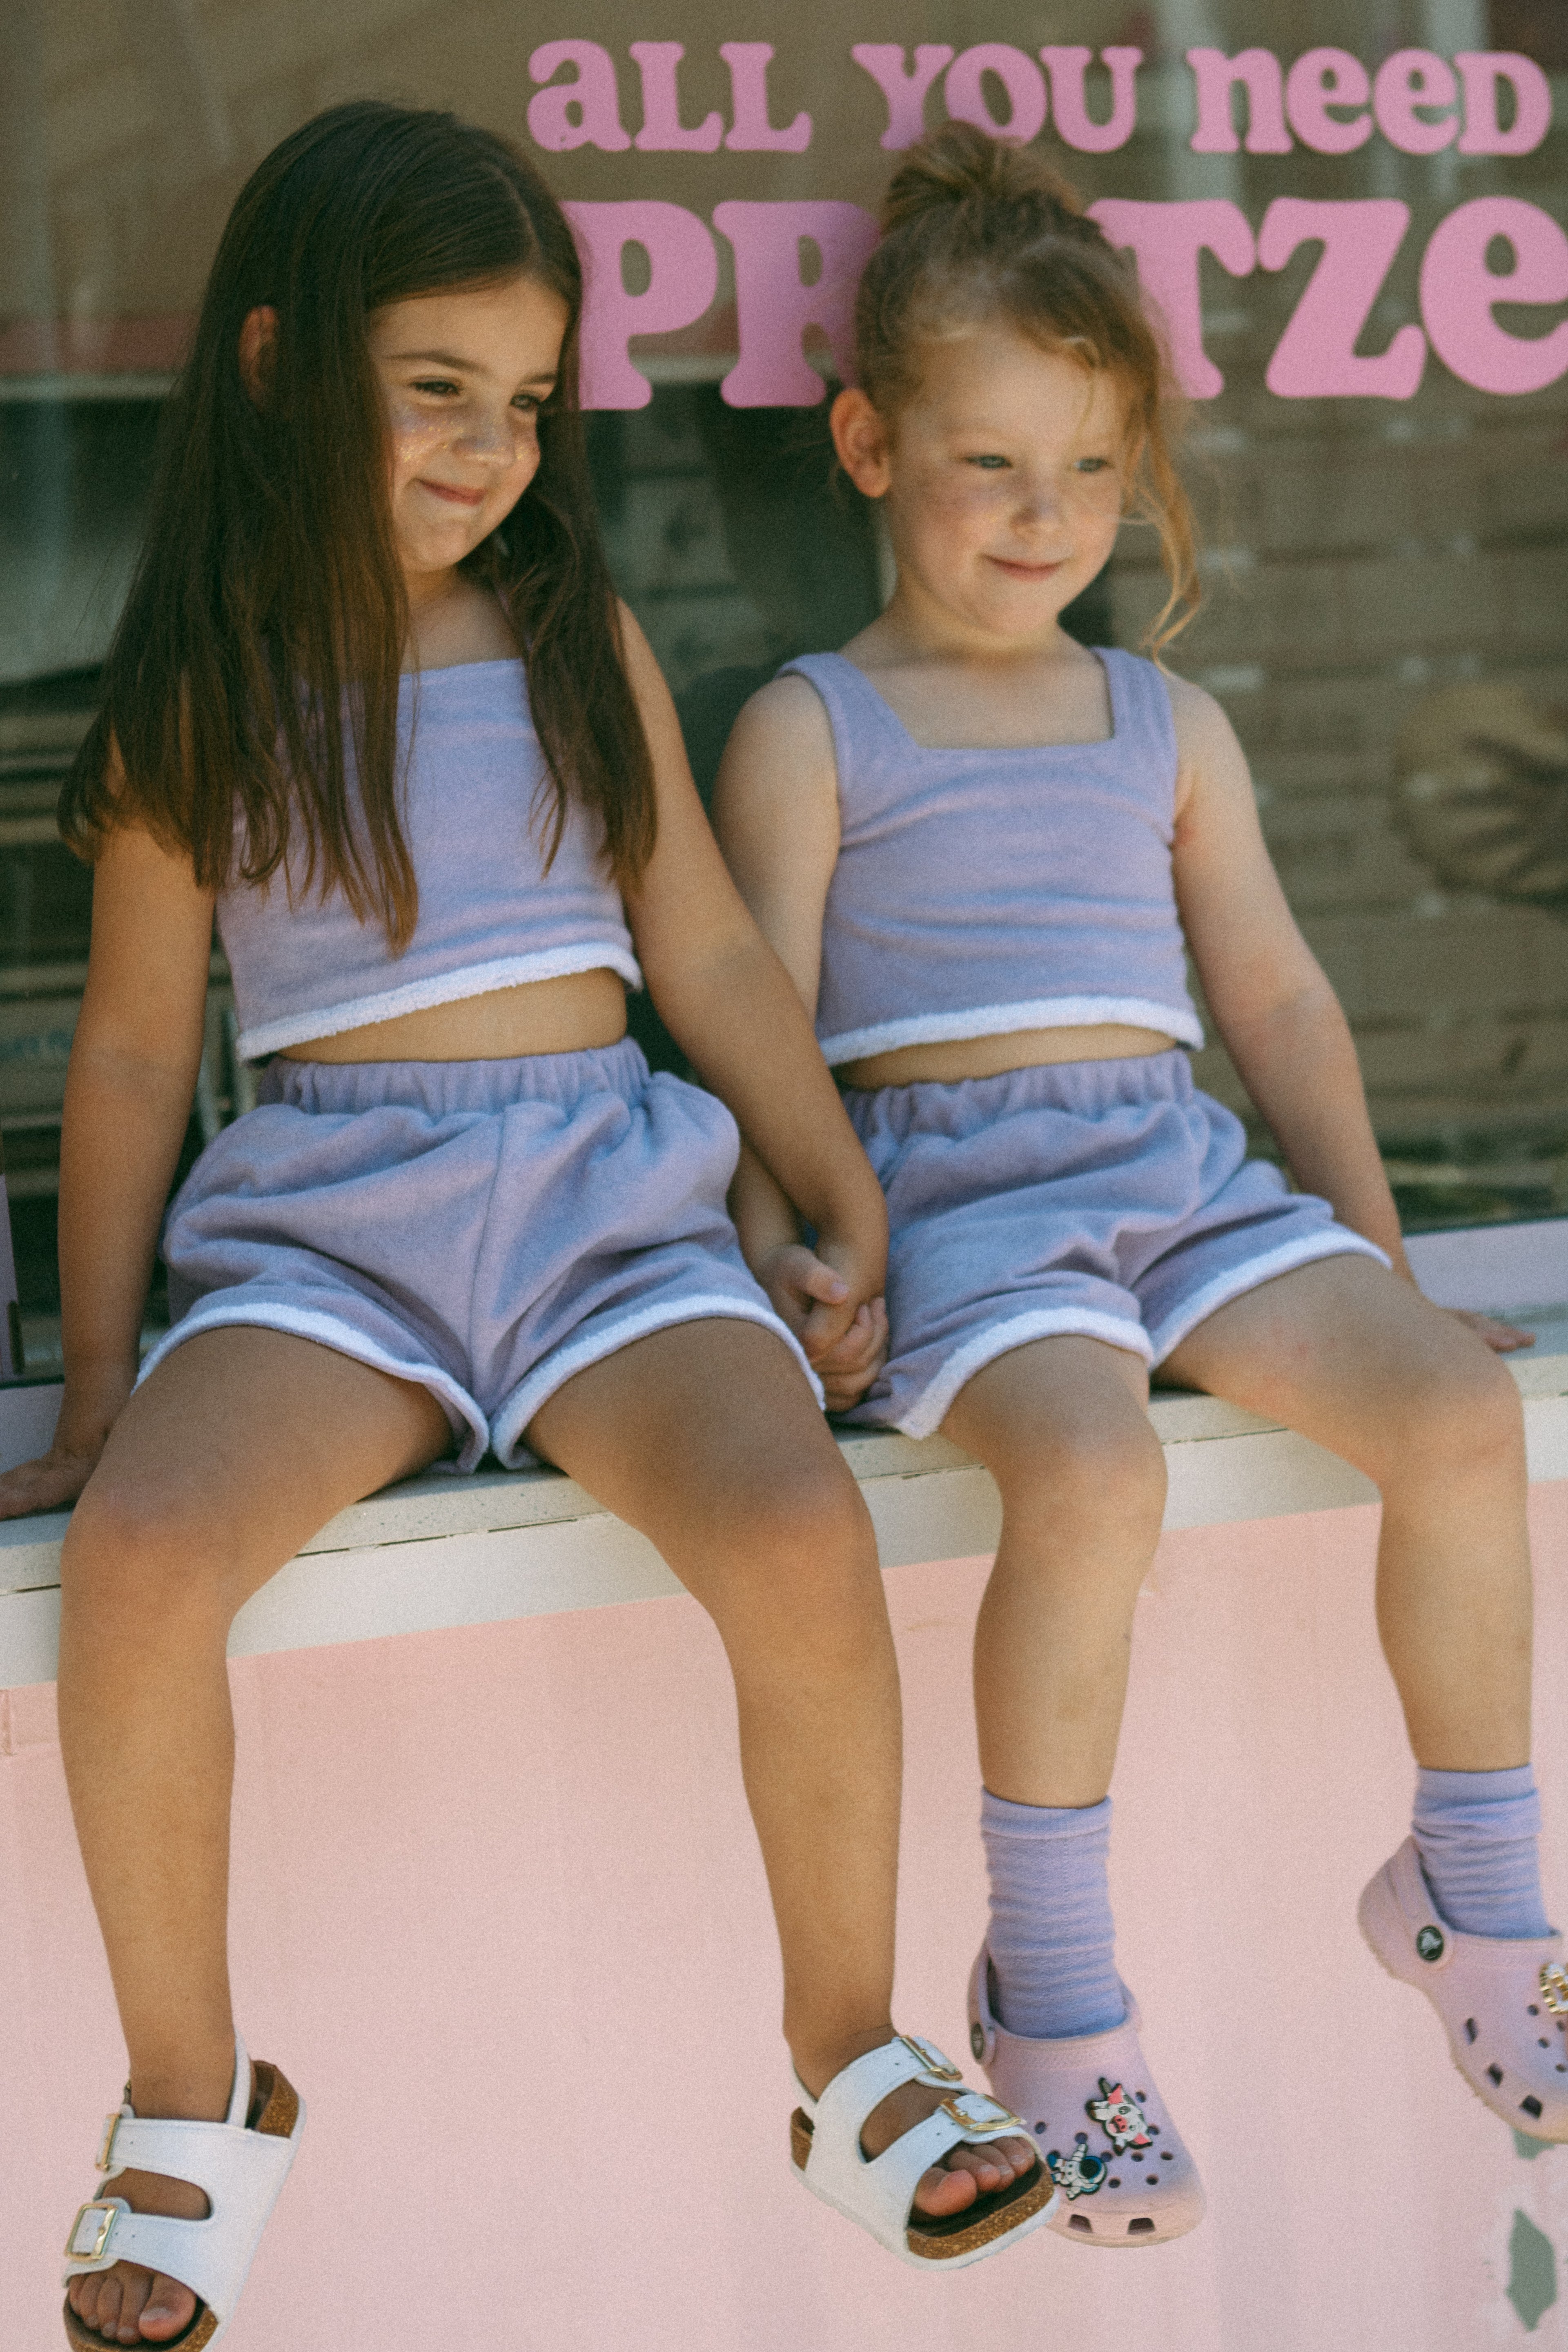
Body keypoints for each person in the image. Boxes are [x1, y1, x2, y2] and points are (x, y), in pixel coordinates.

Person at [0, 105, 1058, 2350]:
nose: (492, 450)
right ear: (280, 366)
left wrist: (844, 1192)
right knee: (145, 1561)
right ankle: (189, 2096)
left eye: (529, 401)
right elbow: (129, 1057)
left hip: (603, 1211)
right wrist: (97, 1387)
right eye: (437, 390)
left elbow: (711, 949)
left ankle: (849, 2042)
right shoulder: (202, 687)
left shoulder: (577, 638)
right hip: (329, 1241)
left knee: (791, 1527)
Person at [714, 121, 1566, 2249]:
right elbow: (756, 1027)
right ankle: (1056, 1998)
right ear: (870, 445)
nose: (1048, 517)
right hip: (961, 1200)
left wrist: (1379, 1261)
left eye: (1093, 469)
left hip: (1175, 1169)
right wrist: (782, 1261)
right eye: (992, 465)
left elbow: (1274, 1000)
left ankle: (1478, 1900)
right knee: (1094, 1472)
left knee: (1462, 1413)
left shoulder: (1158, 716)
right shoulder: (814, 726)